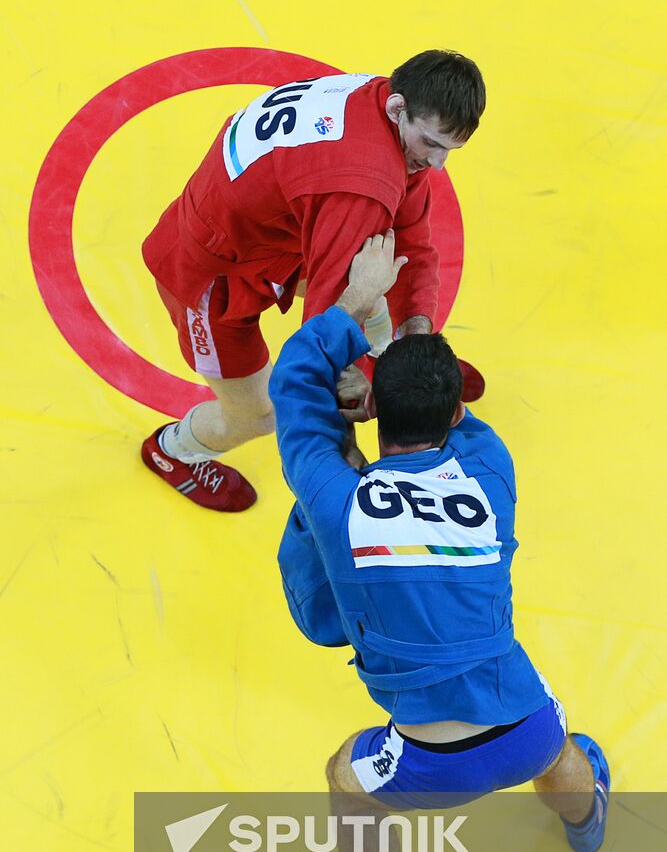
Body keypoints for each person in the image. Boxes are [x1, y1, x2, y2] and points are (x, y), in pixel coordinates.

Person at [268, 232, 610, 852]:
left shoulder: (337, 498)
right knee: (560, 746)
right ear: (455, 416)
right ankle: (584, 820)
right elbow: (449, 419)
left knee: (345, 777)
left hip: (432, 760)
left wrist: (356, 306)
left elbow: (294, 384)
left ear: (369, 414)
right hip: (527, 724)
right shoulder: (490, 471)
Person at [140, 50, 486, 511]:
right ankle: (173, 450)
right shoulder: (361, 182)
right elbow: (324, 331)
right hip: (211, 274)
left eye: (450, 149)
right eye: (432, 144)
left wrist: (418, 353)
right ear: (398, 107)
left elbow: (410, 244)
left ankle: (400, 373)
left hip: (273, 235)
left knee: (377, 274)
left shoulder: (388, 107)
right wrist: (344, 443)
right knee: (259, 413)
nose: (439, 164)